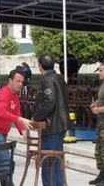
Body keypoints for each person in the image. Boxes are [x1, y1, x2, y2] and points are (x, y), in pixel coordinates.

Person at [32, 52, 71, 186]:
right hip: (60, 124)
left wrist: (36, 117)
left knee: (49, 161)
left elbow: (49, 101)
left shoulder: (47, 79)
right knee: (55, 160)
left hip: (52, 125)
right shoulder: (60, 78)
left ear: (40, 66)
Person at [0, 69, 32, 186]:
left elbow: (17, 113)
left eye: (21, 82)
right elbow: (1, 112)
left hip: (0, 133)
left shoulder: (15, 96)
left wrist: (23, 130)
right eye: (18, 81)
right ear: (10, 80)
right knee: (6, 163)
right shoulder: (4, 93)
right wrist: (19, 120)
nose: (20, 84)